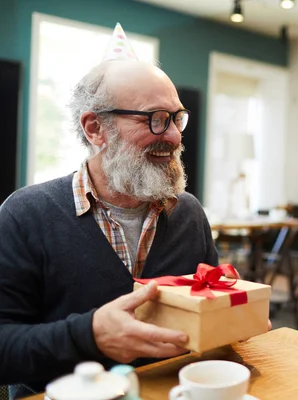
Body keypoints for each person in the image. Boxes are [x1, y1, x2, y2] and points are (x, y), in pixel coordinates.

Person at [0, 24, 225, 397]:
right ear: (95, 128)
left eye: (176, 118)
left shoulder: (189, 213)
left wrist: (232, 318)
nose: (172, 136)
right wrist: (89, 336)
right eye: (154, 118)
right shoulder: (24, 215)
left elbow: (210, 310)